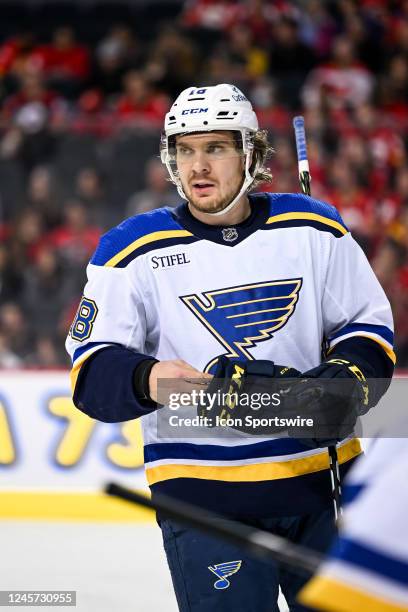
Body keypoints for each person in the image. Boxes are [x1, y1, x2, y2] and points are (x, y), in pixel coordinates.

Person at [66, 84, 395, 611]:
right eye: (185, 149)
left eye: (215, 147)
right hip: (205, 500)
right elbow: (91, 376)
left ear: (252, 153)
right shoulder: (131, 249)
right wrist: (150, 379)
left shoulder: (314, 227)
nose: (198, 165)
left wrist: (339, 385)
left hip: (323, 486)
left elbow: (368, 330)